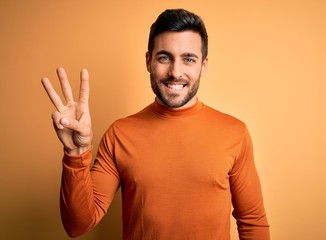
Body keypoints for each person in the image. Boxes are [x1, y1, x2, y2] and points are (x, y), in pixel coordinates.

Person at [41, 8, 270, 240]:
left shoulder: (234, 133)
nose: (175, 72)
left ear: (203, 65)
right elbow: (77, 225)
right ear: (149, 61)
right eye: (164, 57)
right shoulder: (119, 134)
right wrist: (75, 153)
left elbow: (253, 222)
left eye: (188, 59)